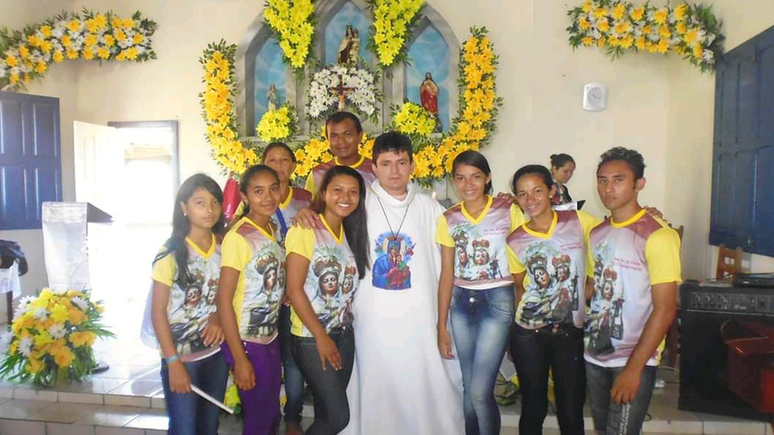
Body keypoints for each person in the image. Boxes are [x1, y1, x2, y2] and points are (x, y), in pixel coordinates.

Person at [344, 132, 465, 435]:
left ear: (413, 165)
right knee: (378, 381)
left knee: (421, 378)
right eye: (386, 163)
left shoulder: (430, 208)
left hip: (419, 315)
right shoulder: (357, 205)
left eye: (401, 162)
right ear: (373, 167)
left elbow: (449, 259)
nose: (394, 171)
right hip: (373, 317)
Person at [585, 147, 681, 435]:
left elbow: (666, 308)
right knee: (604, 430)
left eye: (618, 180)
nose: (608, 188)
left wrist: (634, 369)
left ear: (639, 183)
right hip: (596, 352)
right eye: (602, 180)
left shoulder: (659, 236)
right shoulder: (597, 233)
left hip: (633, 357)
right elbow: (593, 288)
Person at [505, 164, 601, 435]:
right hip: (529, 333)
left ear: (551, 191)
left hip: (570, 331)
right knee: (533, 408)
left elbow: (610, 236)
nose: (530, 199)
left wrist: (585, 293)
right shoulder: (515, 240)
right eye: (522, 194)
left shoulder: (578, 221)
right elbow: (521, 290)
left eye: (537, 190)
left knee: (571, 411)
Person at [435, 150, 525, 435]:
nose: (468, 184)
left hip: (497, 301)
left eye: (475, 177)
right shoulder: (447, 218)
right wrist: (441, 325)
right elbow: (446, 273)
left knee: (479, 391)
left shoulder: (507, 210)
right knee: (468, 387)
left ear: (487, 178)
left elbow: (525, 257)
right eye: (460, 178)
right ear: (453, 181)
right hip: (461, 303)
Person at [285, 166, 369, 435]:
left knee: (325, 411)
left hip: (343, 334)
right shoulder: (306, 229)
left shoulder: (349, 233)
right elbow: (295, 289)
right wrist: (321, 336)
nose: (345, 197)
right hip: (312, 337)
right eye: (338, 190)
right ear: (324, 193)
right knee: (337, 417)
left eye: (353, 192)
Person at [150, 173, 228, 435]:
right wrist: (173, 362)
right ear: (184, 207)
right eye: (200, 202)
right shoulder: (171, 252)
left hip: (215, 355)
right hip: (182, 357)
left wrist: (216, 316)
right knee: (184, 428)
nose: (209, 209)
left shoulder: (224, 246)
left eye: (215, 202)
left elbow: (224, 292)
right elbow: (158, 312)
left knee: (209, 426)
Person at [217, 165, 287, 435]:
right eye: (258, 191)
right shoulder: (239, 237)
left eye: (273, 188)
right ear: (244, 197)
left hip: (269, 337)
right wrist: (240, 358)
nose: (268, 197)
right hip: (246, 340)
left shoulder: (272, 228)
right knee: (258, 420)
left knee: (269, 415)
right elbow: (223, 299)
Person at [263, 142, 312, 435]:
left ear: (294, 166)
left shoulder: (306, 199)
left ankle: (291, 415)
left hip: (295, 295)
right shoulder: (254, 198)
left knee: (293, 360)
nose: (278, 165)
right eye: (272, 160)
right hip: (264, 296)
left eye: (284, 160)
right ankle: (263, 412)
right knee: (269, 359)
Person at [304, 112, 377, 195]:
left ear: (360, 136)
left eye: (347, 134)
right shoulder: (318, 173)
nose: (341, 141)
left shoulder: (375, 170)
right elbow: (309, 205)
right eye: (334, 136)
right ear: (328, 139)